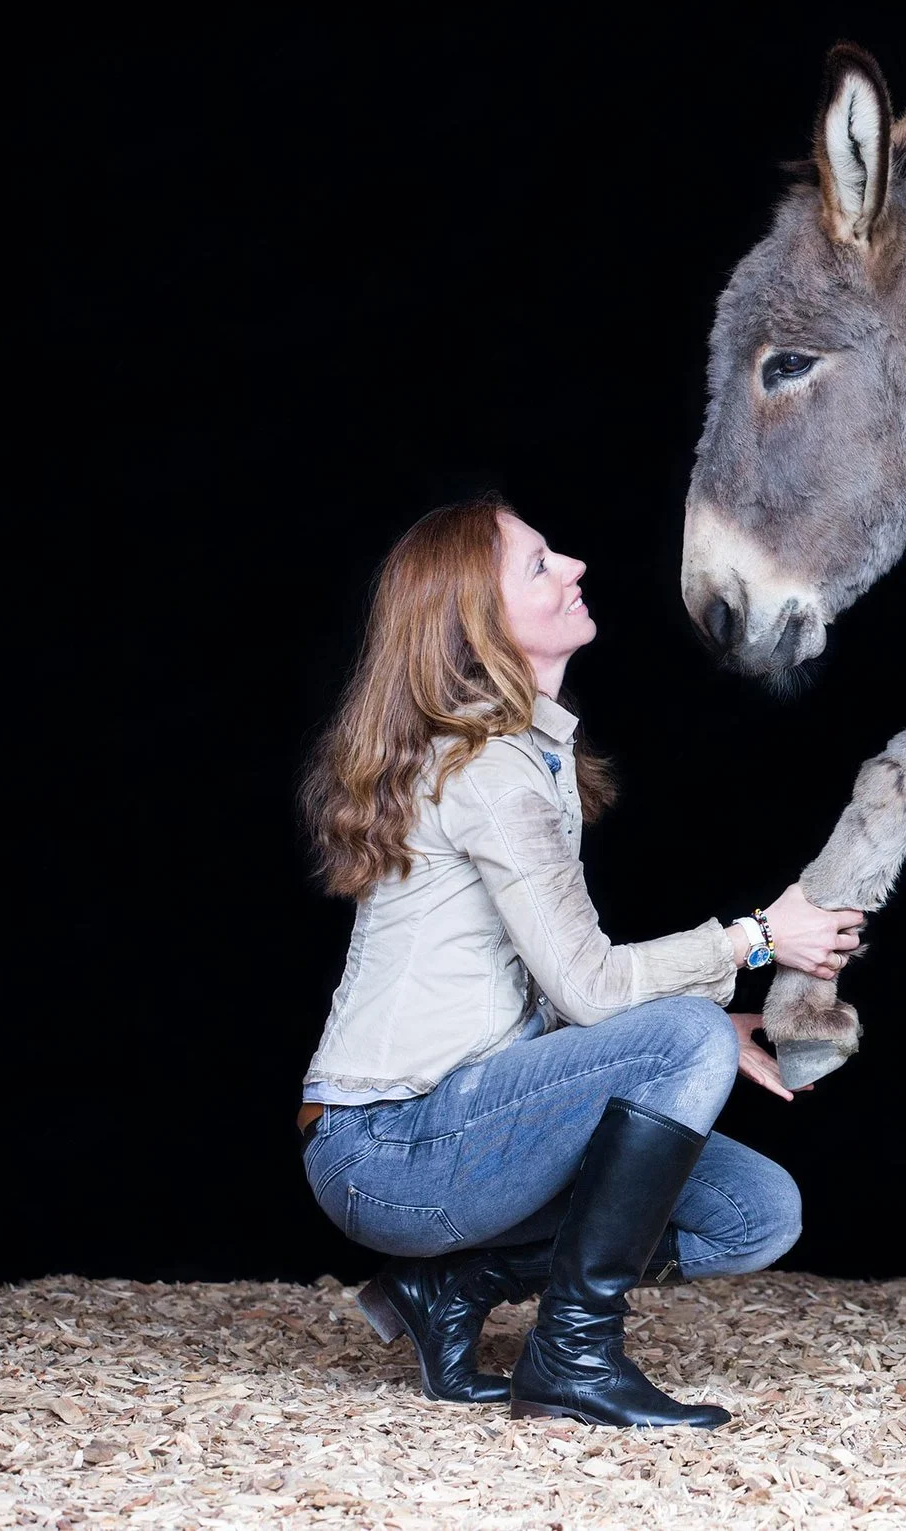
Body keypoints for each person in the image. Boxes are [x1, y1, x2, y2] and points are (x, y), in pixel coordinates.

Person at [297, 495, 863, 1428]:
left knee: (755, 1210)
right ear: (479, 621)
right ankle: (572, 1356)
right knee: (681, 1036)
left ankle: (449, 1289)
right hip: (384, 1149)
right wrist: (759, 937)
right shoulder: (487, 771)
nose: (575, 567)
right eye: (539, 564)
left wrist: (696, 1028)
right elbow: (590, 986)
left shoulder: (532, 758)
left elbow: (547, 993)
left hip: (458, 1123)